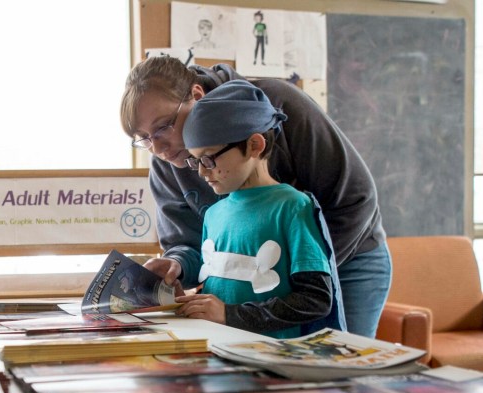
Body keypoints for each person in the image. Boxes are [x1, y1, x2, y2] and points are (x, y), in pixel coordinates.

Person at [119, 56, 392, 338]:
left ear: (197, 96)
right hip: (255, 283)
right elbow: (191, 244)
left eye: (163, 126)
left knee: (335, 360)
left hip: (347, 257)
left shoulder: (277, 105)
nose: (158, 149)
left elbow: (354, 200)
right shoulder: (166, 163)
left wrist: (292, 280)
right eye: (143, 138)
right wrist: (177, 264)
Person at [172, 79, 339, 340]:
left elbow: (315, 299)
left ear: (254, 145)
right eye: (196, 161)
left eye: (209, 158)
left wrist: (231, 314)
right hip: (218, 352)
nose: (202, 172)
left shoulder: (292, 207)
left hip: (272, 357)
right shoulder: (214, 215)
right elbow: (220, 287)